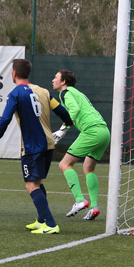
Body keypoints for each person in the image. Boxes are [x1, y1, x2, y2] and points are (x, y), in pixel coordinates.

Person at [0, 58, 73, 234]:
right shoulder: (43, 91)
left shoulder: (16, 94)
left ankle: (51, 224)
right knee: (37, 182)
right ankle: (41, 221)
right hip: (49, 144)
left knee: (31, 185)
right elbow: (62, 111)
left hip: (32, 146)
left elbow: (5, 118)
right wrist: (67, 122)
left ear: (14, 73)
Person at [50, 69, 111, 221]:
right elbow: (77, 111)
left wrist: (63, 129)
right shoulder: (76, 92)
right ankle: (95, 207)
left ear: (63, 82)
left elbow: (75, 110)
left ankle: (80, 200)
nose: (53, 80)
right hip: (104, 131)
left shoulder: (65, 93)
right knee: (88, 168)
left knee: (64, 164)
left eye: (55, 77)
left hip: (91, 131)